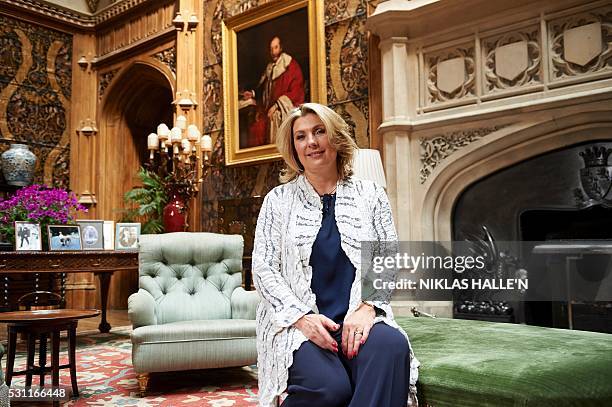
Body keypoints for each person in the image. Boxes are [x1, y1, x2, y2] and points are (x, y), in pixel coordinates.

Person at [252, 103, 419, 407]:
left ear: (336, 138)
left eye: (319, 132)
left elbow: (387, 257)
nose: (311, 142)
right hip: (297, 325)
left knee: (392, 346)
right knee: (331, 387)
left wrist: (368, 307)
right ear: (294, 147)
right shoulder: (277, 201)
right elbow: (263, 269)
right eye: (301, 136)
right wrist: (301, 318)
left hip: (358, 316)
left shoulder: (370, 195)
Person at [241, 36, 305, 148]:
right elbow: (264, 90)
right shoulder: (270, 67)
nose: (273, 52)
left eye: (275, 48)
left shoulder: (290, 65)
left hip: (283, 108)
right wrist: (253, 94)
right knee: (254, 126)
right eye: (271, 49)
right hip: (266, 108)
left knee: (273, 118)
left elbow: (296, 91)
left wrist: (276, 106)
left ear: (281, 48)